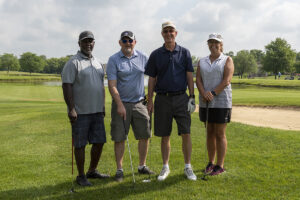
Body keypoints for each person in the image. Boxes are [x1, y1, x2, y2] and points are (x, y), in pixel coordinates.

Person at [145, 21, 197, 181]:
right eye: (165, 31)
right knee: (164, 134)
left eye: (171, 31)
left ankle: (188, 166)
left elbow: (189, 75)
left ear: (176, 33)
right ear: (162, 34)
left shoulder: (185, 53)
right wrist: (150, 99)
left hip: (181, 97)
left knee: (186, 133)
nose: (168, 33)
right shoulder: (155, 54)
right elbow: (152, 78)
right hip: (162, 98)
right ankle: (165, 166)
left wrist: (192, 96)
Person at [61, 30, 109, 186]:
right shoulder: (73, 62)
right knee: (80, 144)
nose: (88, 44)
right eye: (85, 41)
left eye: (91, 41)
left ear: (94, 43)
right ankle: (81, 176)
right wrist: (71, 108)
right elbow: (67, 85)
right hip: (80, 112)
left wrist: (102, 105)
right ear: (79, 43)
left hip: (96, 111)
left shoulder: (98, 63)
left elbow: (101, 86)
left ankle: (92, 170)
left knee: (99, 141)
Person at [106, 31, 154, 182]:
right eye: (124, 40)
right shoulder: (113, 60)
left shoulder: (143, 57)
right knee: (119, 137)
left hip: (140, 102)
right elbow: (112, 85)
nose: (128, 43)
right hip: (122, 103)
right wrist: (119, 104)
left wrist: (150, 97)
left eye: (130, 40)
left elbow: (153, 76)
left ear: (135, 42)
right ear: (120, 42)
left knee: (145, 135)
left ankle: (142, 166)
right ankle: (119, 170)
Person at [196, 33, 234, 176]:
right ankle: (211, 163)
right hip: (205, 101)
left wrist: (212, 93)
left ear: (221, 44)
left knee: (220, 133)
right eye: (211, 42)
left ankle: (220, 165)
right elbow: (198, 79)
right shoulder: (202, 61)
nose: (213, 45)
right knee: (209, 132)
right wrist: (204, 92)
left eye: (216, 42)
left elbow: (227, 80)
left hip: (221, 101)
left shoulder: (227, 59)